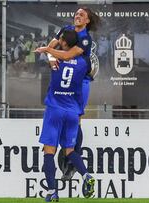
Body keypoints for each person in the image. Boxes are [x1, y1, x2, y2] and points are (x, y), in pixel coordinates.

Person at [36, 6, 100, 181]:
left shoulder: (85, 39)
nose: (77, 15)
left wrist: (49, 52)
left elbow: (67, 55)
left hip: (81, 81)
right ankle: (71, 157)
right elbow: (52, 46)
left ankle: (72, 159)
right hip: (66, 75)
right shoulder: (65, 29)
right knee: (67, 114)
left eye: (82, 15)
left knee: (77, 117)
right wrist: (50, 57)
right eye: (77, 13)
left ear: (87, 20)